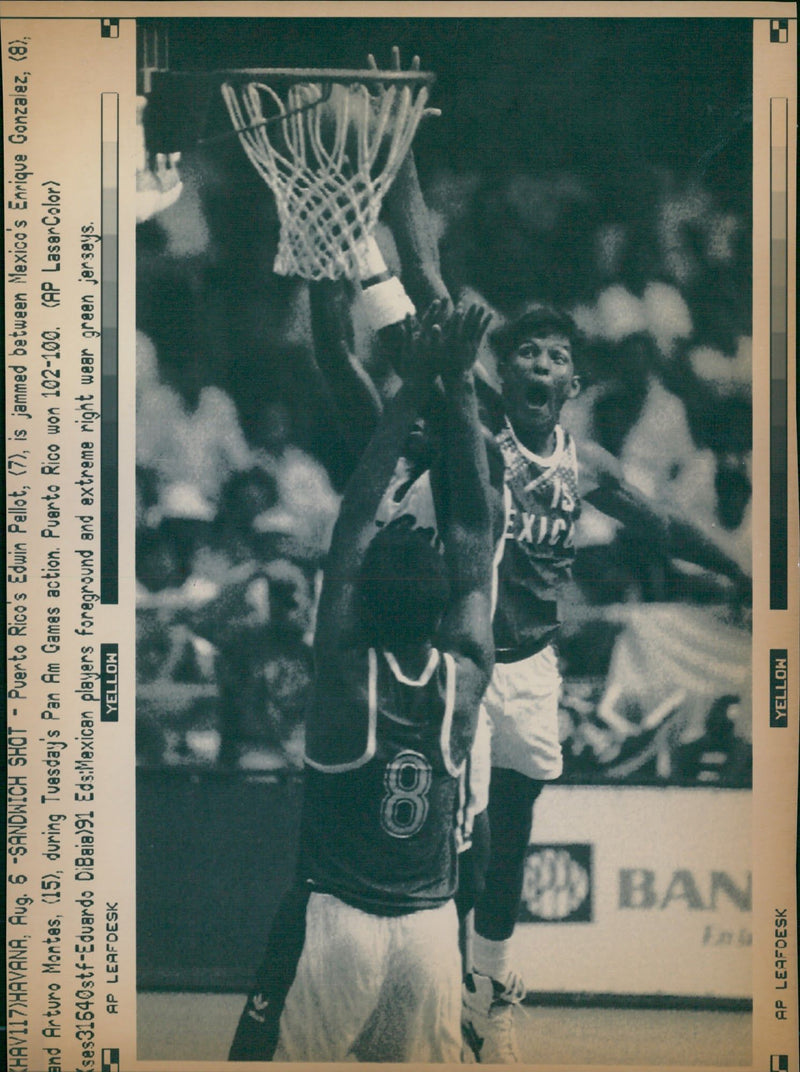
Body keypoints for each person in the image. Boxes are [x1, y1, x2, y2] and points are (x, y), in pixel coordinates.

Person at [234, 303, 495, 1063]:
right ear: (441, 606)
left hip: (343, 921)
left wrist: (412, 391)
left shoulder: (344, 675)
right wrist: (462, 391)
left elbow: (350, 532)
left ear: (364, 600)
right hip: (430, 930)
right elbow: (475, 536)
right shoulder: (468, 675)